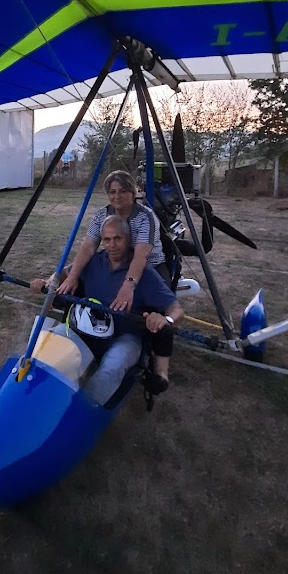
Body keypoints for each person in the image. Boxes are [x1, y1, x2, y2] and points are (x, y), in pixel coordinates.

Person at [31, 215, 183, 405]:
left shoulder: (144, 273)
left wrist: (165, 320)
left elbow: (176, 309)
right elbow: (63, 274)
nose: (112, 245)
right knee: (47, 346)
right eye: (107, 239)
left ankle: (84, 411)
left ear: (128, 240)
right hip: (87, 329)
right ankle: (36, 396)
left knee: (112, 367)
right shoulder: (94, 261)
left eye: (118, 238)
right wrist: (45, 282)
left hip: (125, 336)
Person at [58, 170, 169, 314]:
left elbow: (140, 256)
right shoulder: (102, 215)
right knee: (71, 274)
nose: (117, 196)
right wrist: (72, 277)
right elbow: (88, 247)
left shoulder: (145, 217)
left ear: (132, 192)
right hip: (114, 262)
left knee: (158, 306)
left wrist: (128, 285)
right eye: (112, 192)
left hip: (150, 265)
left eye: (123, 191)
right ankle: (61, 300)